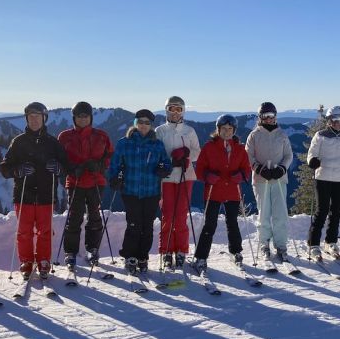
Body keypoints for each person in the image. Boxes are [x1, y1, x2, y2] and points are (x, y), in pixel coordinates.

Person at [0, 102, 67, 280]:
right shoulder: (19, 142)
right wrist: (18, 170)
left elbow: (67, 167)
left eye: (38, 117)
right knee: (24, 231)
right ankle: (27, 261)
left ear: (44, 119)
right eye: (31, 117)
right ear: (27, 119)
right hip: (24, 195)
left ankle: (44, 260)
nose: (34, 120)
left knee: (45, 230)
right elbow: (5, 168)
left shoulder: (53, 143)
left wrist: (59, 168)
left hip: (46, 195)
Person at [107, 109, 171, 274]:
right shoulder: (124, 143)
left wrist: (164, 169)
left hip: (151, 192)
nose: (143, 125)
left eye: (147, 123)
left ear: (151, 126)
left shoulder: (157, 144)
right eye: (140, 122)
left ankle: (143, 257)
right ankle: (130, 256)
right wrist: (114, 178)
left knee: (147, 226)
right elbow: (114, 165)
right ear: (135, 124)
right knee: (134, 225)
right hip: (130, 191)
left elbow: (166, 163)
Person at [57, 101, 114, 270]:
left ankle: (92, 249)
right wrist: (72, 169)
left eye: (86, 116)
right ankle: (70, 252)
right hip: (75, 182)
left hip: (96, 181)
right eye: (79, 116)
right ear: (74, 118)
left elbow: (110, 155)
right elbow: (60, 159)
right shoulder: (65, 136)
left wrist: (101, 166)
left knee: (95, 216)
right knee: (74, 217)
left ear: (90, 118)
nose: (83, 119)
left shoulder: (101, 135)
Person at [192, 115, 251, 271]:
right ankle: (201, 256)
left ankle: (236, 251)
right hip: (214, 190)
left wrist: (242, 176)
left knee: (232, 223)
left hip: (232, 191)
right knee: (209, 224)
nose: (227, 132)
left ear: (234, 130)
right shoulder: (209, 147)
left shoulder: (239, 148)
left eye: (230, 129)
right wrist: (207, 176)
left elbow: (247, 168)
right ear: (218, 130)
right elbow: (199, 170)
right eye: (224, 129)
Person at [306, 106, 340, 261]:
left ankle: (330, 242)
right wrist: (312, 161)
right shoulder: (321, 135)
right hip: (323, 176)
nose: (337, 122)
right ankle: (313, 244)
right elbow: (312, 153)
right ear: (329, 121)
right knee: (322, 210)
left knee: (336, 212)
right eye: (333, 119)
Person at [155, 96, 201, 270]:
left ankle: (181, 251)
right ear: (166, 110)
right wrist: (170, 160)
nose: (175, 113)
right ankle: (166, 251)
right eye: (172, 109)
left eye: (178, 109)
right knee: (167, 215)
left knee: (181, 215)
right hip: (167, 178)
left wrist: (187, 154)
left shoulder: (189, 131)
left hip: (185, 176)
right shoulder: (160, 131)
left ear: (183, 111)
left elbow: (198, 152)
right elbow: (157, 153)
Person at [246, 101, 294, 262]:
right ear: (260, 117)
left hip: (279, 179)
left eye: (271, 116)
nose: (268, 119)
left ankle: (281, 246)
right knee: (264, 213)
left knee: (280, 214)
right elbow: (249, 156)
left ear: (275, 116)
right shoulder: (254, 135)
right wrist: (259, 169)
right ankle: (264, 244)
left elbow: (289, 155)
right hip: (261, 179)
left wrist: (282, 168)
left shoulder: (282, 135)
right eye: (265, 116)